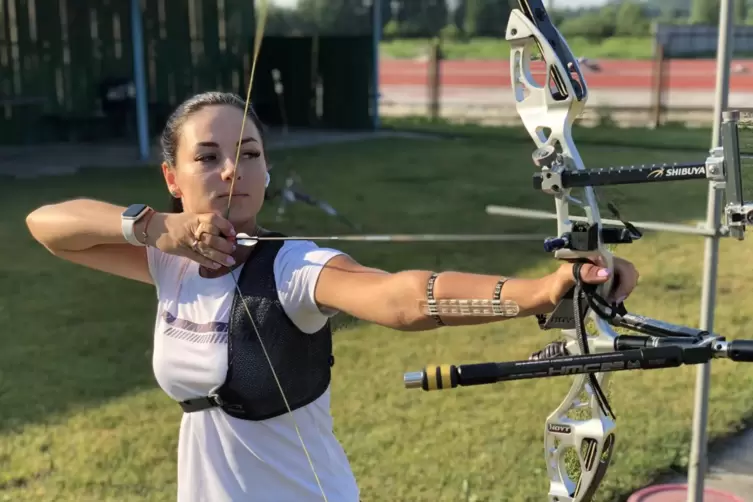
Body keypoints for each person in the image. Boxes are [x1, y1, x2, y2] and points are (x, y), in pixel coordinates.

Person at [25, 91, 640, 502]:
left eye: (249, 155)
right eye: (207, 158)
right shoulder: (170, 262)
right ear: (172, 177)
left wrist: (534, 292)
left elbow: (401, 297)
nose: (232, 171)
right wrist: (154, 226)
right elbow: (50, 226)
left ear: (267, 174)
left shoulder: (293, 267)